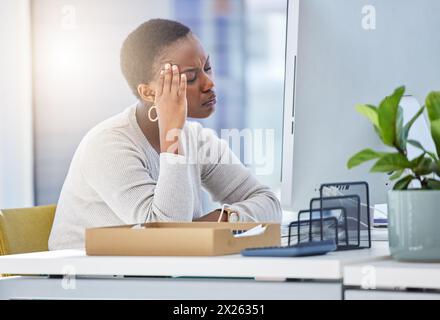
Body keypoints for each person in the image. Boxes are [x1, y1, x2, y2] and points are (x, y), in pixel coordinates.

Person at [49, 18, 281, 250]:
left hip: (154, 276)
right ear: (149, 92)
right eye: (190, 77)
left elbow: (269, 204)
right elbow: (168, 238)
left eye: (207, 68)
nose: (209, 83)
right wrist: (171, 132)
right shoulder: (108, 145)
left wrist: (225, 219)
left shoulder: (197, 139)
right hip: (89, 279)